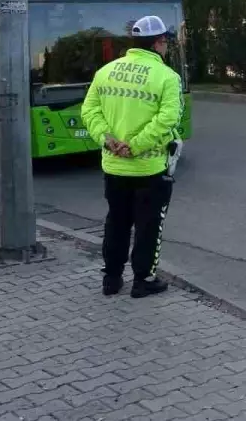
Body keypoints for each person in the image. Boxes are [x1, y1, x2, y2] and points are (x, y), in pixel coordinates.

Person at [81, 15, 183, 299]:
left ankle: (112, 279)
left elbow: (89, 112)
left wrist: (108, 139)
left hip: (113, 166)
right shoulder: (167, 77)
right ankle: (143, 280)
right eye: (165, 42)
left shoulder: (106, 71)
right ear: (159, 42)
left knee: (116, 222)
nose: (166, 46)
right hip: (149, 167)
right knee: (149, 226)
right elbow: (168, 120)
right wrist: (136, 146)